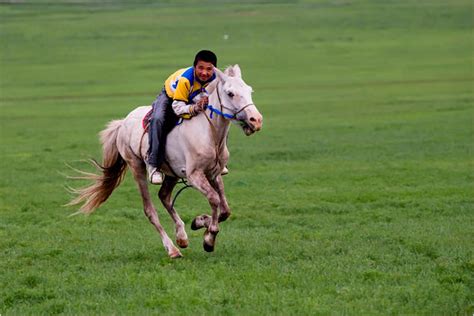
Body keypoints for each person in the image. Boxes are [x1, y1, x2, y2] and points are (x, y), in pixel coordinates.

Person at [147, 50, 217, 184]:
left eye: (209, 69)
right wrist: (195, 108)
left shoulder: (216, 79)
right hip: (172, 97)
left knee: (218, 118)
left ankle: (218, 160)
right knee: (158, 119)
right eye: (200, 68)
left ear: (214, 69)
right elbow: (178, 108)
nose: (204, 73)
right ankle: (154, 164)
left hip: (195, 96)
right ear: (194, 67)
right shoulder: (186, 79)